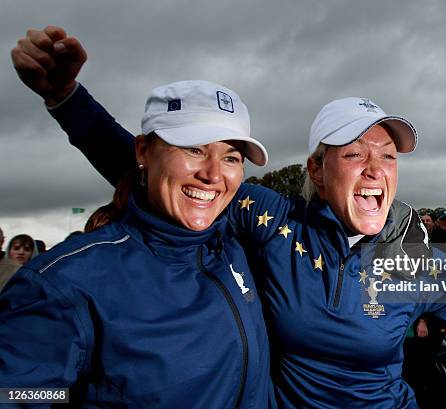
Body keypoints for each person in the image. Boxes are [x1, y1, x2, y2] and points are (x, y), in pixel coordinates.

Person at [11, 26, 446, 409]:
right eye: (354, 155)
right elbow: (173, 175)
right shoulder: (272, 223)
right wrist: (69, 102)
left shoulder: (416, 263)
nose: (375, 169)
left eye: (387, 155)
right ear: (318, 172)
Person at [0, 80, 273, 408]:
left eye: (231, 157)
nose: (213, 174)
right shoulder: (65, 283)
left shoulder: (232, 240)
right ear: (142, 151)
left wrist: (67, 98)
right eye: (194, 149)